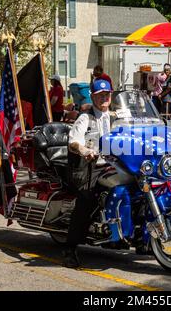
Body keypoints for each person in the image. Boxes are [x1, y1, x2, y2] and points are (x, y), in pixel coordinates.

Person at [64, 79, 113, 268]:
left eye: (107, 94)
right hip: (90, 166)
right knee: (87, 198)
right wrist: (84, 151)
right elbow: (73, 142)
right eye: (100, 95)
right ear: (92, 96)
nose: (104, 97)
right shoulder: (85, 118)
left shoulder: (116, 117)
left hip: (113, 165)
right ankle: (70, 249)